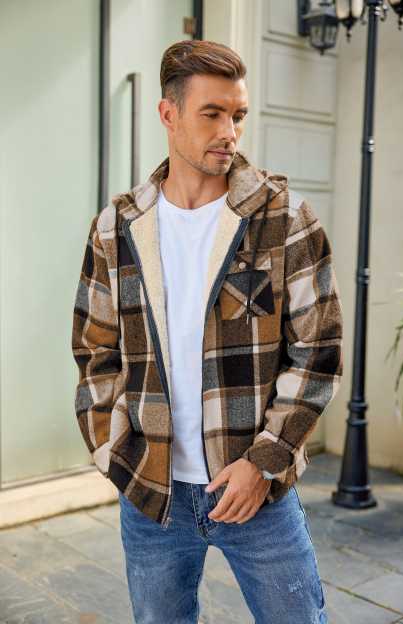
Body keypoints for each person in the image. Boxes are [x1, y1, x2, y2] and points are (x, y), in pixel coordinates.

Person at [72, 39, 343, 624]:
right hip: (153, 496)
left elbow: (318, 352)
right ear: (168, 114)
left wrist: (264, 462)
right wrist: (117, 454)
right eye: (212, 114)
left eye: (237, 115)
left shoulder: (283, 219)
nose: (229, 132)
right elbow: (95, 350)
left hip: (257, 493)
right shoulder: (117, 228)